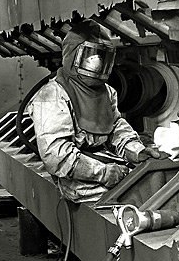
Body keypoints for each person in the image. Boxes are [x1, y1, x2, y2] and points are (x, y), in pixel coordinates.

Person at [25, 19, 168, 204]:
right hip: (77, 179)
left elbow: (116, 128)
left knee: (153, 186)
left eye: (103, 56)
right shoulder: (52, 95)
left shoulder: (106, 92)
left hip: (102, 162)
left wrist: (138, 151)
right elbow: (56, 154)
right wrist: (102, 172)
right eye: (90, 55)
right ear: (73, 55)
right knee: (139, 196)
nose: (97, 62)